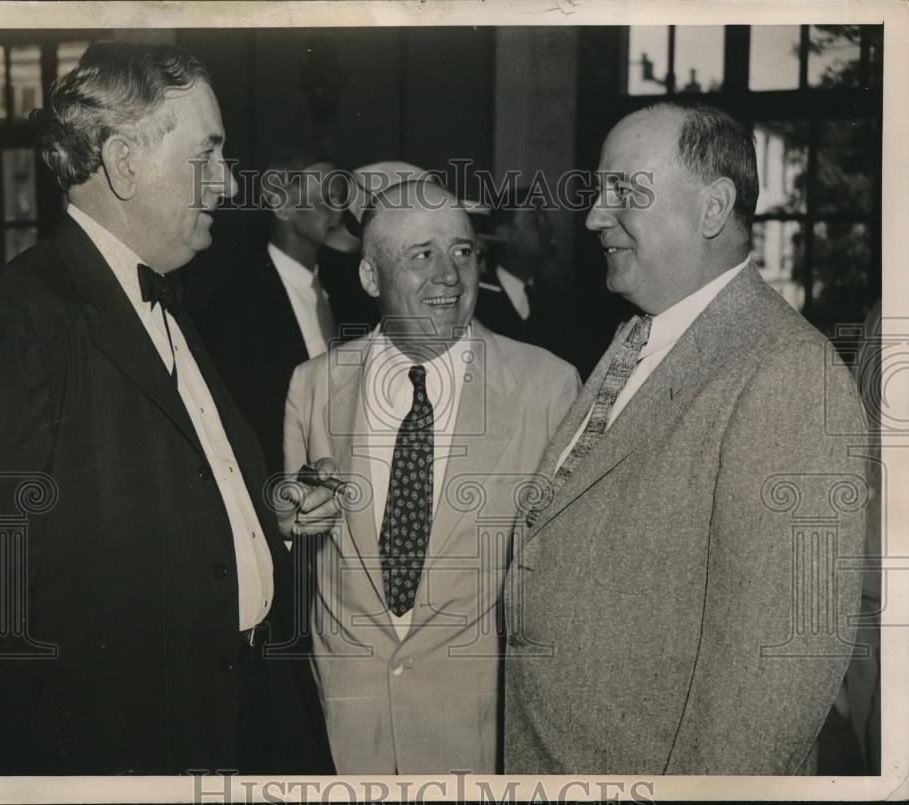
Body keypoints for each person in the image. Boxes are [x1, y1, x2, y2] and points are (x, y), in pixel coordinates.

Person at [0, 42, 333, 775]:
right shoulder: (13, 327)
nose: (228, 180)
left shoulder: (167, 298)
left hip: (234, 722)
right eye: (208, 154)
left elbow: (146, 491)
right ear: (124, 164)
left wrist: (261, 507)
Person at [504, 101, 869, 774]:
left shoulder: (787, 374)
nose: (592, 217)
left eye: (623, 192)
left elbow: (775, 678)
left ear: (712, 208)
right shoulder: (636, 338)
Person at [279, 180, 581, 774]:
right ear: (371, 278)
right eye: (422, 255)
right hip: (347, 734)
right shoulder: (313, 386)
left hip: (476, 736)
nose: (450, 275)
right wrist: (289, 524)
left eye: (463, 252)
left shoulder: (548, 388)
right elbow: (298, 550)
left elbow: (568, 584)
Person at [198, 152, 345, 480]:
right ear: (282, 205)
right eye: (326, 196)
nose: (338, 209)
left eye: (339, 197)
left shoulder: (346, 292)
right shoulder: (235, 304)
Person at [474, 188, 558, 353]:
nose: (548, 226)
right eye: (535, 220)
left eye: (545, 217)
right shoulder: (477, 301)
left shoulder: (559, 303)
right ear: (504, 233)